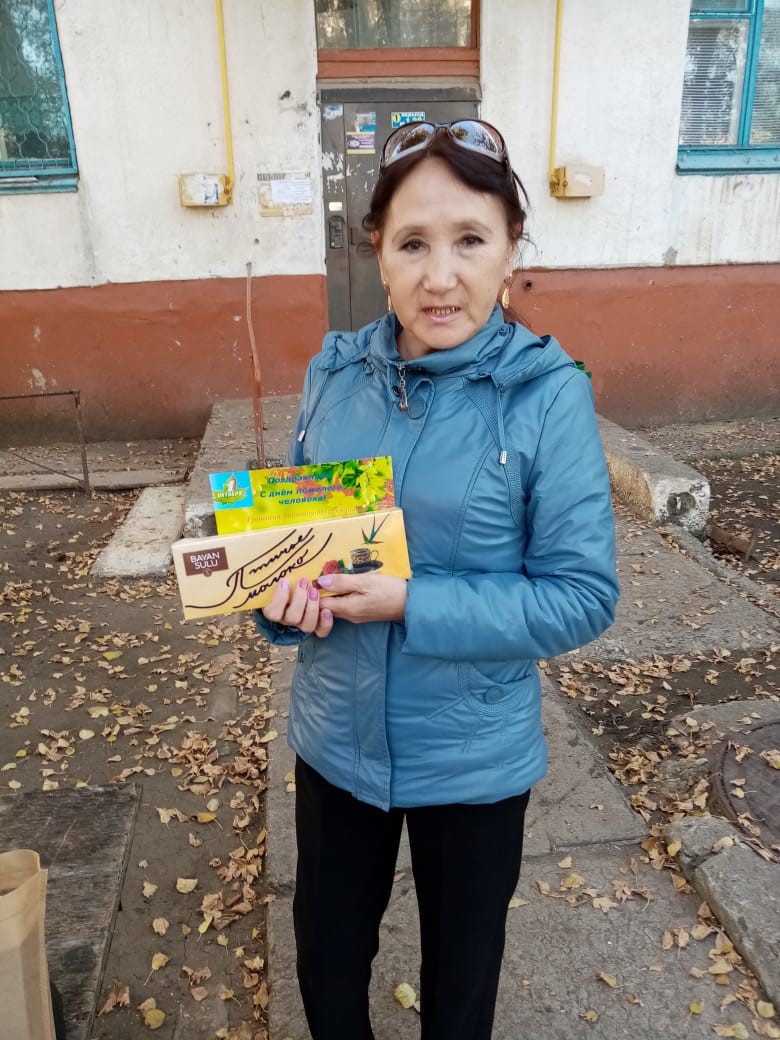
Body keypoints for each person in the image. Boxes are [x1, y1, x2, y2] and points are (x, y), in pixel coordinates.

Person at [256, 119, 619, 1040]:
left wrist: (411, 602)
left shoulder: (548, 395)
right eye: (413, 243)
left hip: (473, 757)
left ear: (512, 250)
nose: (441, 276)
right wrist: (281, 603)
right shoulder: (334, 373)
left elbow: (581, 595)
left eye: (470, 241)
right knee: (327, 968)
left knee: (459, 992)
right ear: (377, 250)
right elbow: (299, 545)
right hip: (336, 739)